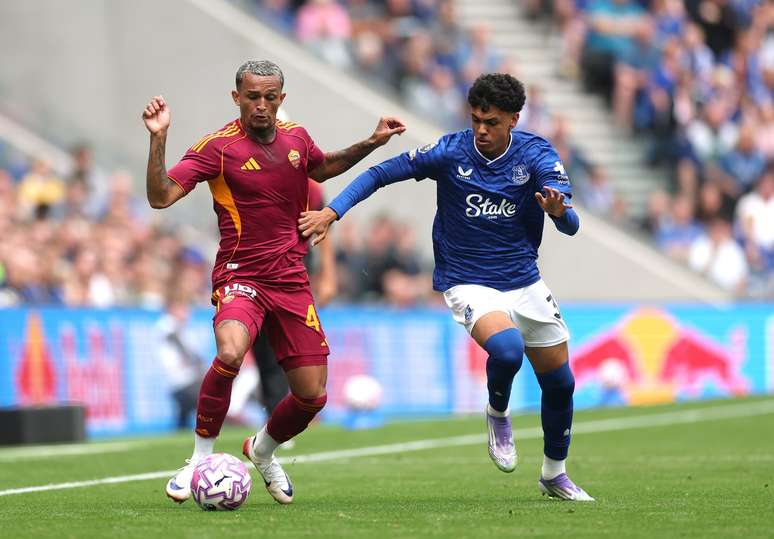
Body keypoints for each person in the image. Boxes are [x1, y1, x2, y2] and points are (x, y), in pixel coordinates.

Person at [299, 73, 594, 501]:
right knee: (508, 350)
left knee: (561, 384)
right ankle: (497, 412)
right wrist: (333, 212)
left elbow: (571, 225)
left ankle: (553, 474)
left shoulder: (536, 155)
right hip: (466, 280)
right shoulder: (450, 151)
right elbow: (382, 173)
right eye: (475, 119)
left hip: (523, 280)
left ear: (513, 119)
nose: (481, 130)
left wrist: (557, 213)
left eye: (491, 121)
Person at [141, 59, 405, 505]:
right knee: (229, 352)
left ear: (281, 99)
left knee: (311, 397)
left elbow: (323, 168)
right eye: (251, 97)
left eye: (269, 97)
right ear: (236, 98)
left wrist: (372, 142)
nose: (260, 106)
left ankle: (262, 450)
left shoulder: (297, 138)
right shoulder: (216, 148)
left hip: (290, 281)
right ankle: (199, 459)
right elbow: (160, 196)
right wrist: (159, 138)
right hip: (240, 276)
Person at [252, 179, 338, 420]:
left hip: (294, 275)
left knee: (302, 346)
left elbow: (324, 226)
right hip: (253, 275)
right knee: (264, 352)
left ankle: (304, 407)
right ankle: (277, 416)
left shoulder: (308, 186)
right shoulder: (244, 171)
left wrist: (328, 275)